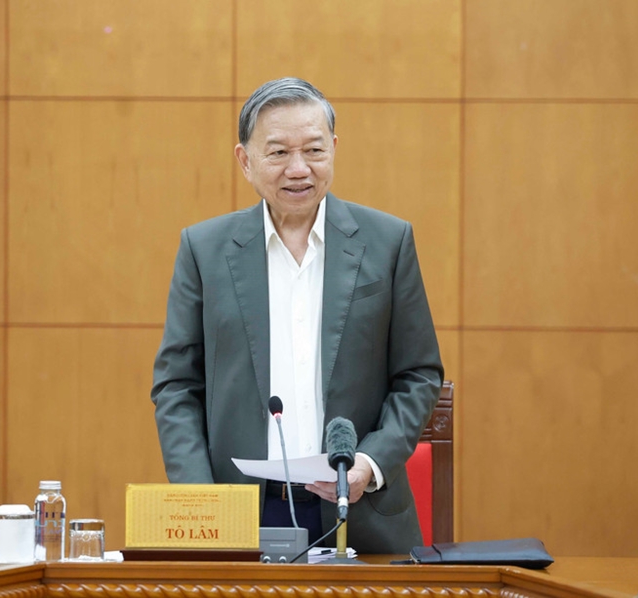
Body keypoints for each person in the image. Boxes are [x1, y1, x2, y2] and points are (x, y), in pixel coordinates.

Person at [152, 77, 443, 554]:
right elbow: (176, 386)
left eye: (314, 150)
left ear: (334, 149)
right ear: (245, 160)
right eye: (278, 153)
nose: (299, 169)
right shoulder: (204, 250)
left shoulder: (388, 242)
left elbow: (418, 374)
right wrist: (202, 500)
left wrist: (370, 463)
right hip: (239, 511)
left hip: (358, 509)